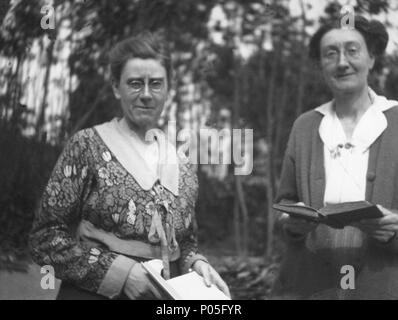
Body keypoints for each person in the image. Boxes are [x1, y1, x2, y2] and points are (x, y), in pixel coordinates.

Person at [29, 32, 230, 300]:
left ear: (168, 89)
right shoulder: (88, 146)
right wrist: (121, 275)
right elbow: (45, 239)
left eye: (156, 84)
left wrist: (196, 263)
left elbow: (185, 243)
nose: (146, 94)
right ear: (116, 87)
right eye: (135, 83)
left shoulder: (182, 164)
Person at [273, 15, 398, 299]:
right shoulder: (305, 126)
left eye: (353, 50)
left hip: (384, 284)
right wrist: (290, 223)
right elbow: (284, 205)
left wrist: (394, 229)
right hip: (312, 284)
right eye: (331, 53)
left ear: (372, 59)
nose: (342, 62)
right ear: (321, 66)